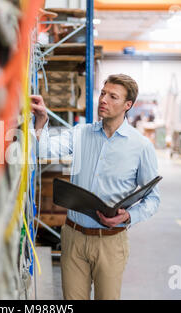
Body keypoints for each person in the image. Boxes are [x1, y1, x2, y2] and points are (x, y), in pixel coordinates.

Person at [30, 74, 160, 300]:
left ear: (127, 105)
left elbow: (153, 199)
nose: (103, 100)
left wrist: (128, 216)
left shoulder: (141, 147)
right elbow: (43, 150)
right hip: (73, 237)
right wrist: (41, 121)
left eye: (113, 96)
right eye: (103, 93)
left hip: (110, 241)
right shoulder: (80, 133)